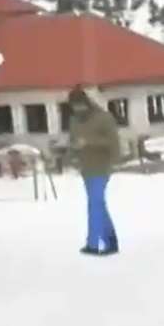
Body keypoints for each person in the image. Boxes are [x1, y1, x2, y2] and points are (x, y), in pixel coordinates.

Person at [68, 88, 121, 256]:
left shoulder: (104, 118)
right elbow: (72, 142)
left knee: (94, 204)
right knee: (99, 205)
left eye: (80, 105)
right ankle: (111, 242)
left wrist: (89, 142)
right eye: (75, 106)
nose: (78, 109)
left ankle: (93, 243)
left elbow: (113, 142)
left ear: (87, 103)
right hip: (86, 168)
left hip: (102, 166)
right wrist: (71, 156)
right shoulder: (74, 121)